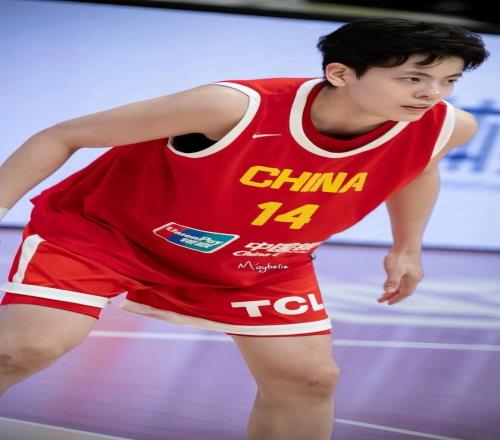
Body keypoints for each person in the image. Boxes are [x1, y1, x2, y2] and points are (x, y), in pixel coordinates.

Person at [0, 17, 488, 440]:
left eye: (448, 80)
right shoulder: (231, 106)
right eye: (413, 78)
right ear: (340, 74)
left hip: (260, 260)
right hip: (106, 236)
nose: (432, 94)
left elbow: (420, 166)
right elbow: (62, 135)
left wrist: (407, 247)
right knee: (26, 349)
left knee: (308, 380)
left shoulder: (447, 126)